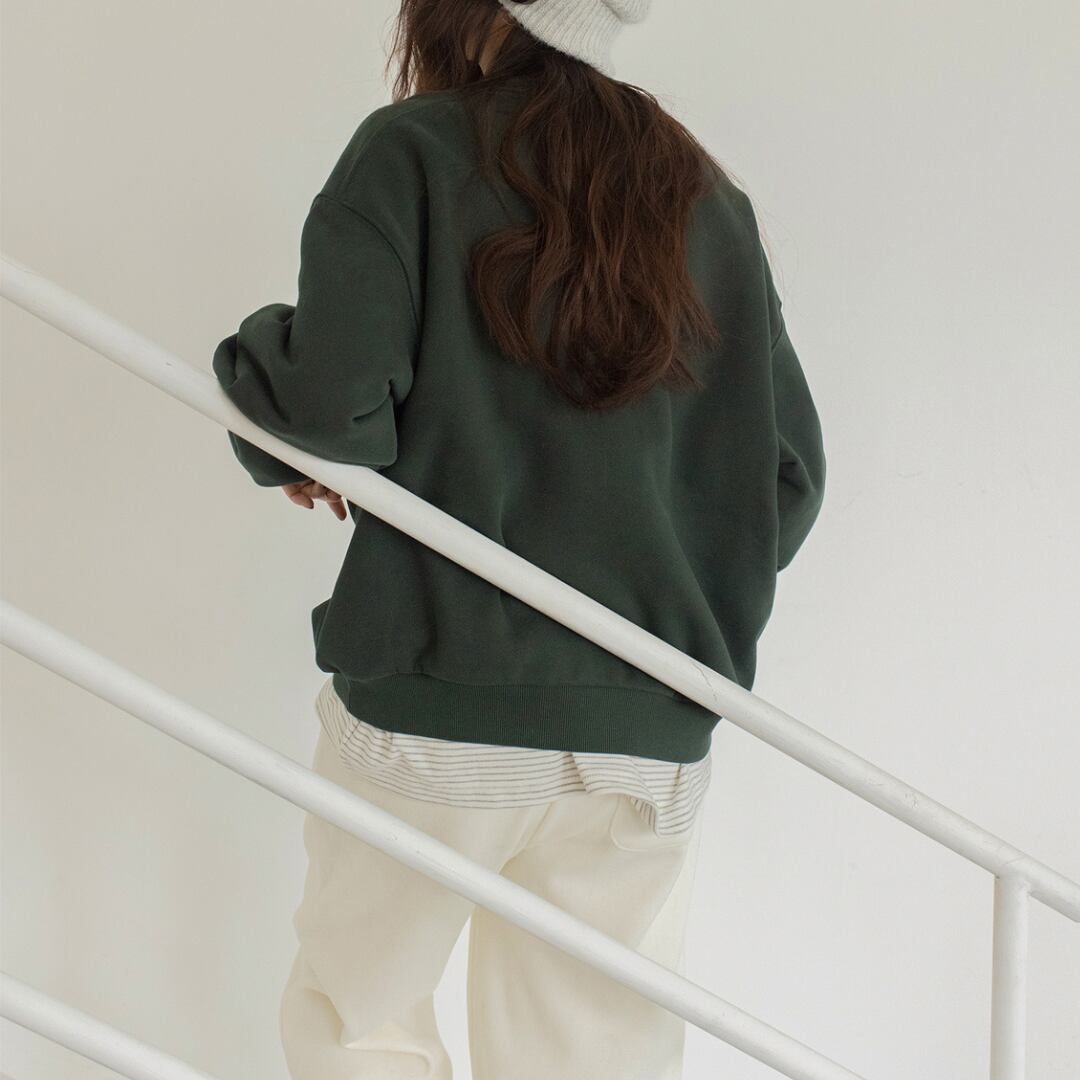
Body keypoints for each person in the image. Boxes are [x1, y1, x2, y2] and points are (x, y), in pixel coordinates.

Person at [211, 0, 827, 1076]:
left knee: (363, 1025)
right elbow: (788, 478)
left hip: (437, 699)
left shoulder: (413, 152)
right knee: (592, 1054)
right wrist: (662, 571)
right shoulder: (704, 195)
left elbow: (330, 406)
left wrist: (259, 366)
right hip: (645, 725)